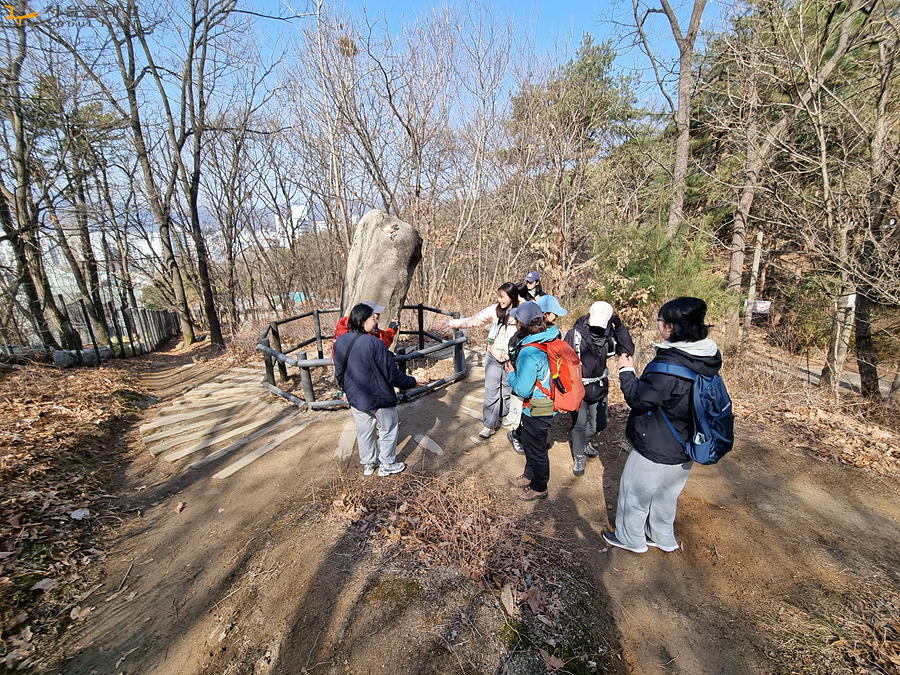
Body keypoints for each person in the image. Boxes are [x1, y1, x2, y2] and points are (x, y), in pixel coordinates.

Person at [604, 297, 722, 553]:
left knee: (634, 492)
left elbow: (640, 399)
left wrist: (626, 372)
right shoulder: (706, 355)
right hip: (689, 442)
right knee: (667, 494)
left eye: (660, 320)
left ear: (670, 326)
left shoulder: (669, 367)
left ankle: (629, 538)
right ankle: (662, 536)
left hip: (657, 442)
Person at [333, 303, 423, 477]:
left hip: (356, 397)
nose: (375, 321)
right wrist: (412, 382)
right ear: (362, 320)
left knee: (364, 431)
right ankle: (387, 464)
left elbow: (339, 371)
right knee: (388, 428)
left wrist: (345, 391)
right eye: (372, 318)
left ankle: (368, 464)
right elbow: (392, 375)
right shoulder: (374, 343)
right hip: (379, 396)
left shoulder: (341, 341)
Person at [434, 283, 520, 438]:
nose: (499, 300)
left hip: (511, 358)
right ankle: (489, 425)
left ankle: (504, 414)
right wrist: (450, 323)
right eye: (498, 296)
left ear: (512, 296)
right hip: (494, 355)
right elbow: (473, 320)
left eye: (503, 297)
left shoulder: (521, 311)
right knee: (491, 390)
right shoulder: (495, 310)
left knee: (507, 390)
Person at [564, 301, 635, 476]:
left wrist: (619, 327)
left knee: (600, 423)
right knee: (579, 424)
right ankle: (579, 455)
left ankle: (581, 442)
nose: (597, 328)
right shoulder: (574, 335)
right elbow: (563, 360)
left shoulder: (609, 336)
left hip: (599, 387)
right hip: (578, 388)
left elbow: (628, 350)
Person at [503, 301, 557, 501]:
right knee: (528, 441)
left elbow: (523, 388)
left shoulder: (529, 351)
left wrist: (510, 373)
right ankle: (528, 475)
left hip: (538, 407)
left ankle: (539, 486)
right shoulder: (549, 338)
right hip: (547, 401)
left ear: (520, 324)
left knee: (537, 448)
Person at [335, 301, 399, 350]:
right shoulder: (357, 335)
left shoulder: (357, 327)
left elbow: (379, 337)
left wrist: (391, 330)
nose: (378, 316)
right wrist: (390, 332)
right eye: (374, 315)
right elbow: (379, 349)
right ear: (365, 316)